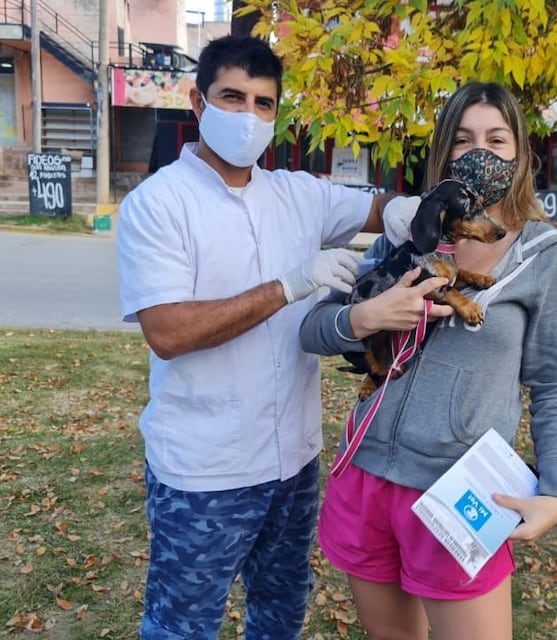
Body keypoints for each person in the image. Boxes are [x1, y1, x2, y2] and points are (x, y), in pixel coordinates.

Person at [116, 35, 412, 639]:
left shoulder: (297, 194)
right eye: (233, 97)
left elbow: (377, 208)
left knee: (280, 612)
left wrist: (408, 210)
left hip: (292, 461)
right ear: (198, 103)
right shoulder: (159, 204)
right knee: (182, 626)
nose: (248, 115)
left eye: (263, 103)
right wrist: (289, 285)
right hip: (205, 469)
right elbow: (167, 332)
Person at [299, 82, 557, 640]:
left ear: (520, 153)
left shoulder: (544, 256)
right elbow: (314, 330)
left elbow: (555, 382)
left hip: (460, 492)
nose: (480, 153)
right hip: (366, 475)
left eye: (496, 140)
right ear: (443, 153)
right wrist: (365, 317)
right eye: (463, 140)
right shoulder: (405, 236)